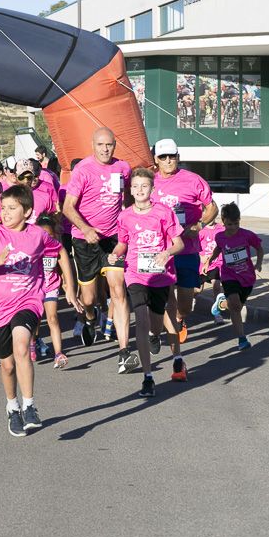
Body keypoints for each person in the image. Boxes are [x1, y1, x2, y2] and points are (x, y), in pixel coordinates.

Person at [0, 185, 81, 437]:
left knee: (22, 347)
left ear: (27, 210)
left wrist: (70, 288)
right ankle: (13, 407)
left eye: (12, 208)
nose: (5, 213)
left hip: (28, 301)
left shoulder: (37, 235)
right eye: (3, 208)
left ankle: (30, 406)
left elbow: (61, 250)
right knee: (7, 365)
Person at [108, 168, 184, 397]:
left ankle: (176, 355)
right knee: (140, 319)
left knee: (158, 322)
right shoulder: (125, 216)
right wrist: (115, 253)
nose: (140, 190)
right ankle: (148, 378)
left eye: (144, 186)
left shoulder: (163, 212)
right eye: (136, 186)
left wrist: (167, 253)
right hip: (135, 274)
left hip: (160, 274)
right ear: (130, 190)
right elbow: (123, 243)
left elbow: (179, 243)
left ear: (152, 189)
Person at [62, 128, 133, 370]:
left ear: (115, 145)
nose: (105, 149)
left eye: (109, 145)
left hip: (113, 238)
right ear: (93, 145)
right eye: (101, 144)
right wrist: (86, 228)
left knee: (118, 291)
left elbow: (128, 199)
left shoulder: (123, 168)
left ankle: (124, 351)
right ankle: (91, 317)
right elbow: (67, 207)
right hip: (85, 240)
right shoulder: (83, 169)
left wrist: (131, 220)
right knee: (89, 298)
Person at [150, 139, 217, 353]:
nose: (168, 160)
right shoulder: (149, 182)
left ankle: (179, 319)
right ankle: (161, 331)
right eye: (163, 157)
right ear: (156, 159)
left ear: (178, 156)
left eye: (172, 156)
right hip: (161, 250)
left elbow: (212, 208)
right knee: (163, 294)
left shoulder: (193, 180)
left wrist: (199, 225)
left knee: (186, 303)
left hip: (187, 249)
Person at [203, 203, 263, 350]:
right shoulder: (220, 237)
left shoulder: (247, 235)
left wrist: (259, 263)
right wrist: (209, 261)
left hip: (247, 277)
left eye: (236, 223)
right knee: (236, 305)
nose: (233, 227)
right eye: (229, 224)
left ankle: (220, 304)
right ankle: (242, 339)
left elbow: (259, 248)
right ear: (223, 221)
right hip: (229, 275)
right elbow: (218, 249)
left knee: (237, 307)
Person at [34, 215, 75, 369]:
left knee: (52, 318)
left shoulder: (56, 248)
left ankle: (58, 353)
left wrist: (67, 284)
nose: (45, 239)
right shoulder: (31, 248)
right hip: (34, 289)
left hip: (50, 287)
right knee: (35, 320)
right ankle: (33, 342)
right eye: (41, 235)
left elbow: (63, 268)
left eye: (49, 235)